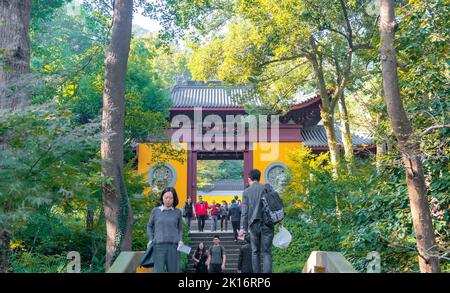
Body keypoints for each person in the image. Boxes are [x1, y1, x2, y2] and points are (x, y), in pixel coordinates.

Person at [239, 169, 274, 273]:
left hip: (253, 225)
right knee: (267, 252)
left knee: (255, 252)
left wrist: (243, 228)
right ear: (259, 178)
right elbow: (274, 204)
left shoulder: (246, 192)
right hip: (267, 224)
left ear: (249, 178)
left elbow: (244, 212)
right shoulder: (267, 188)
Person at [146, 187, 183, 273]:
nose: (168, 200)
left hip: (173, 247)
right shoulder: (155, 211)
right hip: (158, 247)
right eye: (166, 197)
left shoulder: (178, 212)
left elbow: (180, 228)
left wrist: (180, 240)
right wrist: (150, 239)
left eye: (170, 198)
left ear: (174, 199)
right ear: (162, 198)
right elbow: (149, 226)